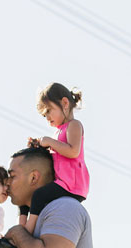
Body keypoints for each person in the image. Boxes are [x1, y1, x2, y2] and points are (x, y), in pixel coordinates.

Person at [20, 82, 90, 234]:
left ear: (64, 103)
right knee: (29, 192)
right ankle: (22, 225)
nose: (47, 118)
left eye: (49, 111)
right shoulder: (58, 132)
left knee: (39, 195)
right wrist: (39, 146)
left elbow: (73, 151)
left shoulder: (74, 125)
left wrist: (49, 142)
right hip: (62, 182)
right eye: (44, 115)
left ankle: (27, 231)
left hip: (72, 183)